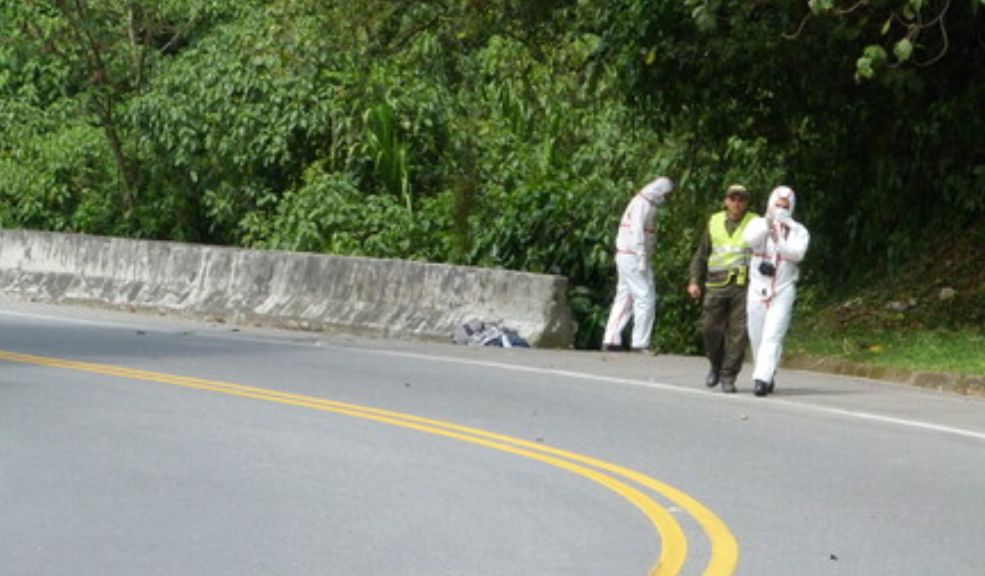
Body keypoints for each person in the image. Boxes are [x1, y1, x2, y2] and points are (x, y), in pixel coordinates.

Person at [687, 184, 757, 392]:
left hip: (743, 286)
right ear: (726, 201)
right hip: (716, 284)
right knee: (710, 329)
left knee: (738, 333)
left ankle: (728, 376)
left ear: (746, 203)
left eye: (741, 200)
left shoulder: (755, 223)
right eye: (733, 199)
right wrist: (693, 281)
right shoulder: (715, 221)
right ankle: (715, 366)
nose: (737, 203)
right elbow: (701, 255)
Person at [744, 185, 810, 396]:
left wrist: (779, 239)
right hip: (757, 287)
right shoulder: (757, 224)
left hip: (783, 288)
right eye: (778, 204)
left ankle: (761, 380)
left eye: (785, 206)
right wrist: (769, 224)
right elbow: (749, 240)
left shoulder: (799, 231)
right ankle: (766, 371)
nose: (781, 208)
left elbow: (797, 254)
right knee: (757, 335)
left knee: (772, 334)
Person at [601, 176, 675, 352]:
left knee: (625, 297)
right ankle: (640, 342)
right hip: (633, 256)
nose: (667, 198)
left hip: (627, 254)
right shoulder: (642, 204)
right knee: (645, 297)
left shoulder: (643, 203)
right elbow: (637, 232)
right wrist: (642, 257)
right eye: (667, 195)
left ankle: (611, 338)